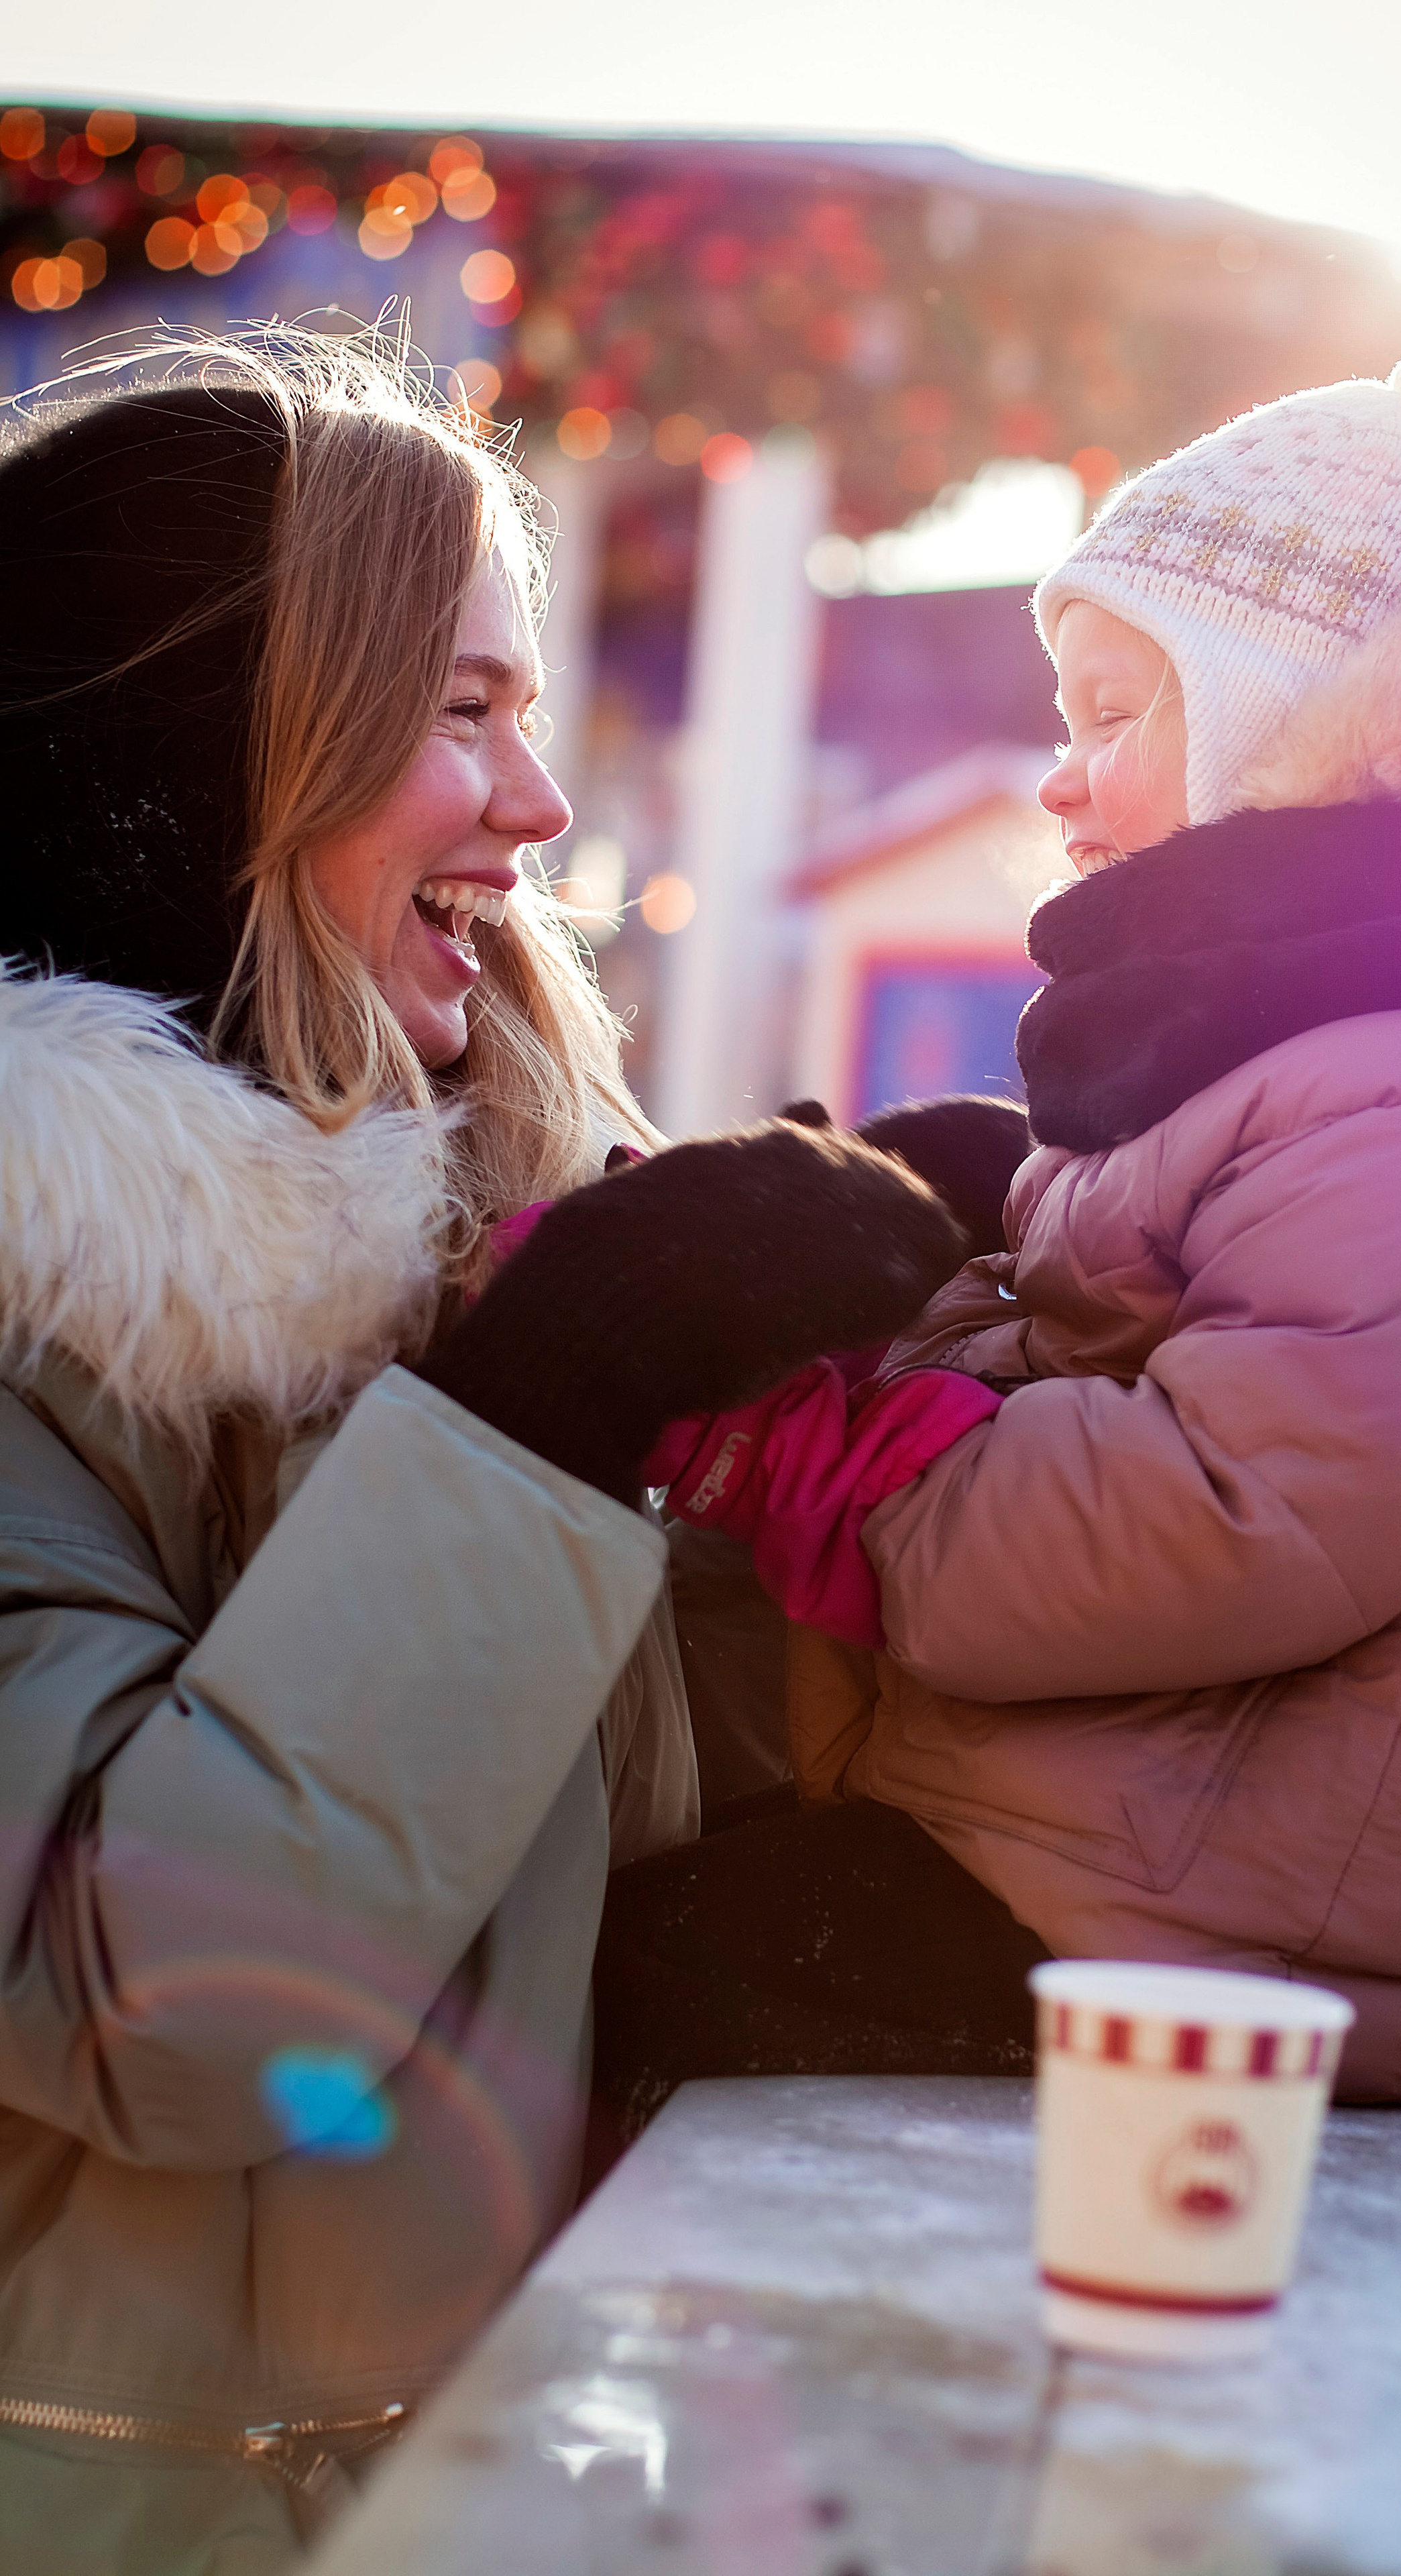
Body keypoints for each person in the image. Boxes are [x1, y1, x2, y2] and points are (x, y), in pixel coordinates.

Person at [0, 329, 960, 2571]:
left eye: (527, 710)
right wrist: (548, 1402)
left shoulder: (406, 1264)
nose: (538, 808)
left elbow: (526, 1823)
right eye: (459, 713)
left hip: (473, 2488)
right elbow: (165, 2006)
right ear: (193, 757)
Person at [593, 322, 1401, 2137]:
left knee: (629, 1972)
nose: (1060, 778)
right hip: (1146, 1860)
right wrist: (878, 1270)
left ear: (1336, 737)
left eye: (1120, 718)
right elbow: (1102, 1359)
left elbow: (1224, 1519)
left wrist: (816, 1455)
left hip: (1272, 1946)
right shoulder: (1328, 1066)